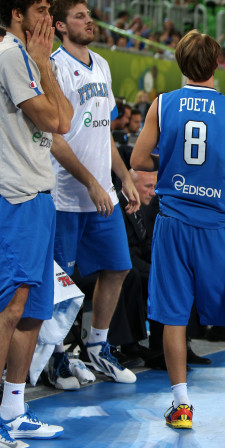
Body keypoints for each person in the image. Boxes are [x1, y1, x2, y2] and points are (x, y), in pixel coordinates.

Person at [130, 30, 225, 430]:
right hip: (219, 224)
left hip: (173, 222)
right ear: (218, 63)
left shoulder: (162, 103)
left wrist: (173, 171)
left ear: (179, 63)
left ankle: (181, 405)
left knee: (173, 314)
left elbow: (139, 159)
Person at [49, 0, 142, 385]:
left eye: (89, 15)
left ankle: (97, 346)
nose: (89, 21)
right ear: (58, 25)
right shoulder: (53, 65)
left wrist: (124, 176)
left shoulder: (101, 64)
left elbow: (102, 130)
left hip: (103, 193)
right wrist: (89, 181)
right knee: (59, 281)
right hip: (65, 195)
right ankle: (53, 356)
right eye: (79, 16)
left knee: (119, 267)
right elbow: (54, 138)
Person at [0, 0, 74, 443]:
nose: (48, 17)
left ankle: (13, 409)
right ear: (16, 14)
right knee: (10, 307)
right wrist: (44, 63)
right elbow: (49, 117)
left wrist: (44, 64)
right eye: (42, 8)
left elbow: (64, 121)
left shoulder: (31, 59)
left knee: (32, 311)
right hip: (17, 196)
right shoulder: (10, 55)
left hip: (41, 196)